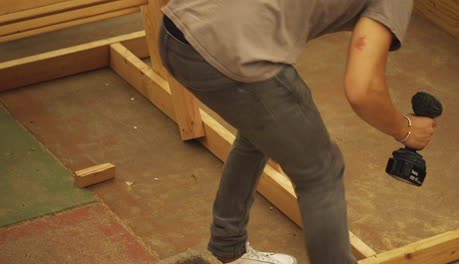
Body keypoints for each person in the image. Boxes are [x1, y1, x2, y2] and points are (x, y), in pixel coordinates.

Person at [158, 0, 436, 263]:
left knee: (261, 130)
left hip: (175, 30)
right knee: (321, 173)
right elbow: (362, 90)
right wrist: (406, 129)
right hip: (226, 58)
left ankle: (227, 246)